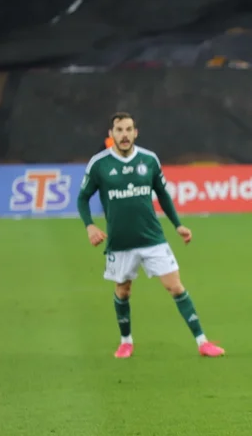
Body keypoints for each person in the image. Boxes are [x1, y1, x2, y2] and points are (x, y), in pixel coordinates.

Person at [76, 112, 225, 359]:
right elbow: (82, 198)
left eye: (128, 129)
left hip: (152, 239)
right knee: (123, 291)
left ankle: (202, 342)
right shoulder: (99, 164)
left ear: (136, 132)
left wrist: (178, 224)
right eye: (119, 130)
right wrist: (89, 225)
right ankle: (126, 342)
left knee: (176, 287)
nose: (124, 135)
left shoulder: (149, 160)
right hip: (120, 242)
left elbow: (163, 194)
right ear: (111, 135)